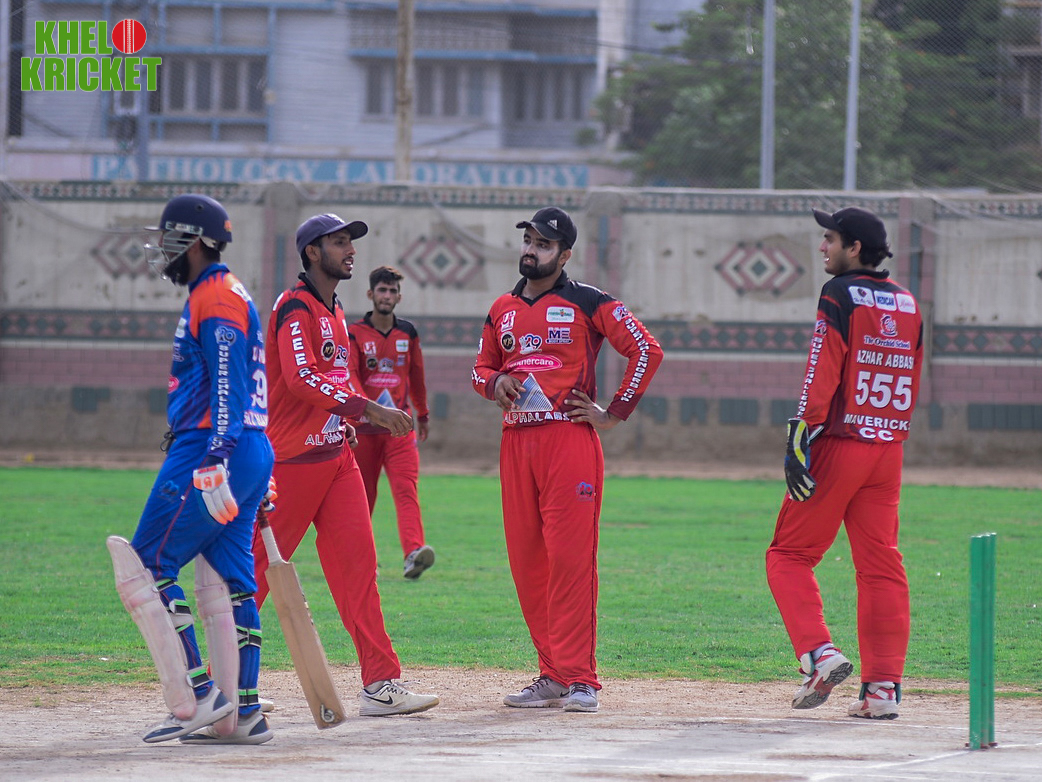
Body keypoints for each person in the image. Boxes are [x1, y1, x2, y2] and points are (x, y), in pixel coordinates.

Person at [471, 206, 664, 713]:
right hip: (516, 444)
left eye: (544, 244)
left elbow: (646, 350)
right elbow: (480, 368)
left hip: (569, 442)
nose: (531, 250)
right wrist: (495, 382)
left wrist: (614, 412)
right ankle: (553, 674)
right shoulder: (502, 308)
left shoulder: (589, 301)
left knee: (570, 562)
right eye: (528, 241)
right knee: (528, 565)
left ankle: (582, 679)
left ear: (565, 255)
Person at [251, 213, 439, 716]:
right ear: (312, 252)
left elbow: (333, 377)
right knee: (257, 570)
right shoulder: (295, 306)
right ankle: (224, 682)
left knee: (359, 571)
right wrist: (368, 410)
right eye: (339, 242)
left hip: (336, 458)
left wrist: (343, 420)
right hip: (291, 462)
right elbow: (300, 378)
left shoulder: (334, 308)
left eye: (350, 242)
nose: (350, 250)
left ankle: (380, 683)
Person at [113, 193, 275, 745]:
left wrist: (217, 454)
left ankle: (201, 693)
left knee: (150, 561)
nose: (163, 250)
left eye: (170, 239)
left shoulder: (216, 296)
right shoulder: (227, 291)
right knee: (235, 579)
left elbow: (228, 378)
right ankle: (246, 713)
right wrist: (248, 458)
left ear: (197, 241)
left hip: (212, 445)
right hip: (249, 445)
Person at [766, 206, 924, 721]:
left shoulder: (839, 293)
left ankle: (820, 655)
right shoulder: (908, 301)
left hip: (839, 443)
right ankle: (882, 691)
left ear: (854, 248)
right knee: (881, 567)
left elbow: (823, 367)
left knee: (788, 555)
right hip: (888, 449)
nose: (822, 247)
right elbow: (912, 374)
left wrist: (799, 436)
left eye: (830, 239)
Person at [348, 266, 435, 580]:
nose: (387, 296)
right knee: (363, 498)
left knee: (406, 490)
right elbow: (351, 376)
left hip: (399, 430)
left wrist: (422, 414)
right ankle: (359, 560)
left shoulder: (407, 333)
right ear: (371, 294)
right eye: (382, 290)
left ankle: (413, 553)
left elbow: (417, 376)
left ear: (399, 297)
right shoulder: (355, 332)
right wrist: (367, 410)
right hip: (364, 431)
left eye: (392, 291)